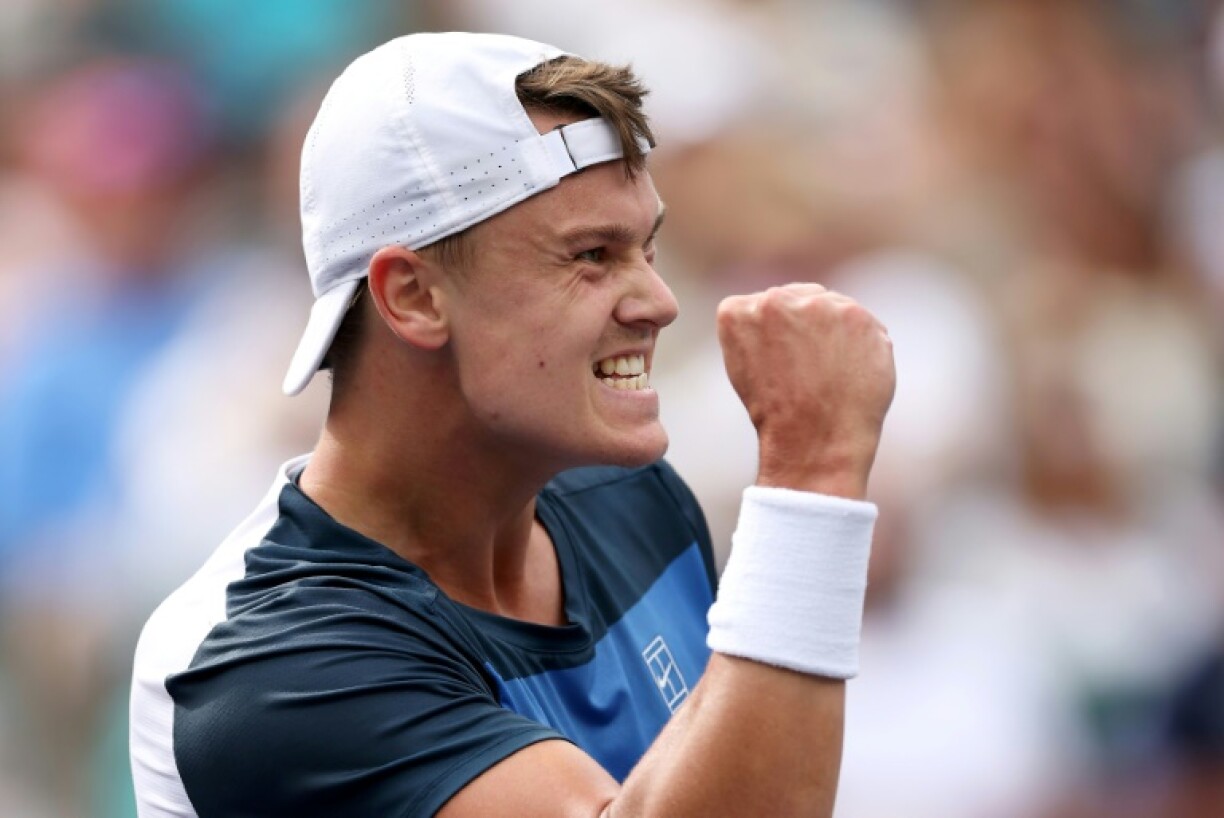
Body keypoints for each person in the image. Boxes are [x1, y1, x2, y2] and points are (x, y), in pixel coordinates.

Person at [129, 32, 895, 817]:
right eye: (592, 255)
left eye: (647, 249)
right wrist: (813, 477)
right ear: (413, 297)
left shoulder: (637, 500)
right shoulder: (266, 666)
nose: (659, 303)